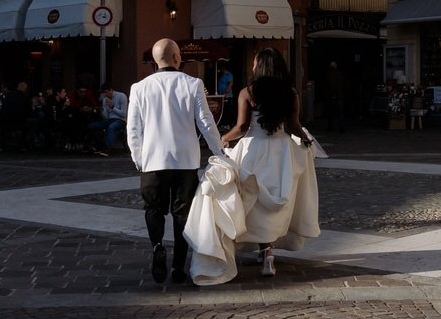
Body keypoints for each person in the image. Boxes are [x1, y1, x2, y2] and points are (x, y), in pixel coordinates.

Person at [209, 46, 320, 280]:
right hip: (280, 152)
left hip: (254, 149)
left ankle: (262, 247)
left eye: (254, 62)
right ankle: (268, 252)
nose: (252, 66)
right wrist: (306, 140)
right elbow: (292, 126)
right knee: (275, 201)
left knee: (253, 199)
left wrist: (223, 139)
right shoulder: (290, 93)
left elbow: (241, 128)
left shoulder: (247, 92)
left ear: (260, 67)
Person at [126, 38, 225, 285]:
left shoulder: (139, 87)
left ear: (155, 60)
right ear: (178, 58)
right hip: (185, 161)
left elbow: (133, 128)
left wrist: (139, 158)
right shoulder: (193, 84)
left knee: (153, 210)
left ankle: (158, 245)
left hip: (153, 160)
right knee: (183, 215)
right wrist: (219, 153)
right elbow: (206, 123)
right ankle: (178, 268)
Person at [89, 81, 127, 154]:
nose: (105, 95)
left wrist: (112, 107)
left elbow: (123, 114)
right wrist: (100, 111)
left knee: (111, 127)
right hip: (110, 120)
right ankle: (98, 146)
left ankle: (107, 148)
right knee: (92, 126)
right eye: (104, 93)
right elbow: (106, 116)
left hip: (121, 120)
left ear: (111, 90)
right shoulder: (105, 100)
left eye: (106, 92)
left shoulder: (122, 96)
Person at [321, 60, 346, 132]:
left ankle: (331, 127)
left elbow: (327, 86)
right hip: (339, 95)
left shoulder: (328, 75)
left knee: (331, 112)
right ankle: (341, 127)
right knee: (339, 113)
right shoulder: (340, 74)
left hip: (332, 95)